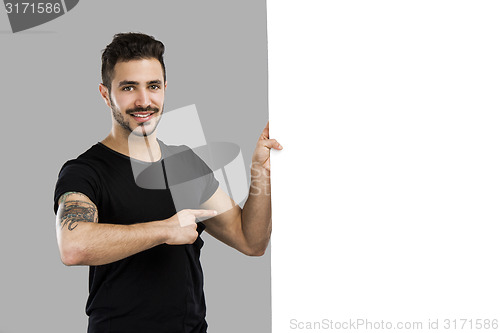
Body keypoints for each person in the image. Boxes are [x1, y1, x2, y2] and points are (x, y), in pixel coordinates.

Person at [53, 32, 281, 333]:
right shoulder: (85, 171)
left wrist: (259, 173)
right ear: (105, 94)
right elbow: (73, 246)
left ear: (164, 89)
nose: (144, 100)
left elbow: (250, 241)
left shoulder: (184, 164)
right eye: (128, 87)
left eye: (153, 86)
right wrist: (166, 230)